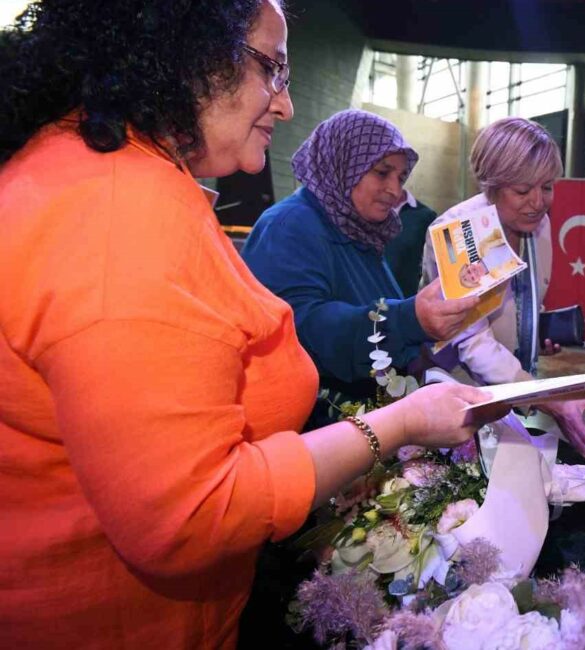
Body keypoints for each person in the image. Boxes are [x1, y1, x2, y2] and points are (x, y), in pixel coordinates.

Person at [0, 2, 497, 647]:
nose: (286, 104)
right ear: (191, 49)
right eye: (273, 70)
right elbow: (192, 515)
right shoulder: (121, 213)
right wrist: (398, 423)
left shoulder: (109, 176)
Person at [242, 110, 480, 401]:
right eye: (382, 172)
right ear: (344, 162)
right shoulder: (290, 225)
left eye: (401, 177)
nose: (395, 190)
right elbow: (300, 330)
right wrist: (409, 319)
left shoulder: (359, 230)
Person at [422, 117, 585, 465]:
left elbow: (521, 299)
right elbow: (471, 342)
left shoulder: (538, 224)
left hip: (512, 389)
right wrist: (540, 393)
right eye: (522, 191)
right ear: (490, 185)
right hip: (457, 392)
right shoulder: (457, 233)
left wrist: (533, 337)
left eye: (547, 187)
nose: (538, 202)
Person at [385, 188, 438, 297]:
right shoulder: (364, 210)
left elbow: (429, 266)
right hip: (365, 299)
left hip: (405, 302)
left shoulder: (425, 216)